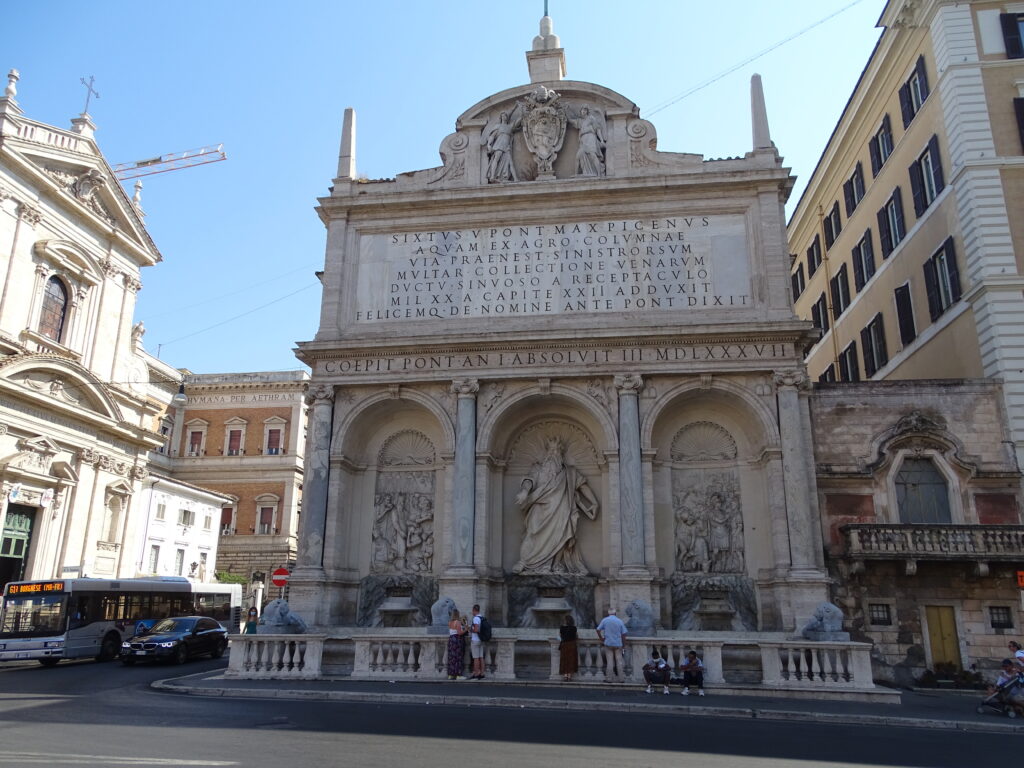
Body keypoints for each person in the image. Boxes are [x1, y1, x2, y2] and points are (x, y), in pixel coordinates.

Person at [513, 436, 599, 574]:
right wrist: (524, 491)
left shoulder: (569, 473)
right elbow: (529, 480)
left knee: (563, 533)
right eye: (551, 450)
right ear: (547, 452)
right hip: (539, 507)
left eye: (556, 450)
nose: (553, 453)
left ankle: (555, 564)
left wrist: (594, 502)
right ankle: (525, 561)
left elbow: (582, 486)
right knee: (532, 533)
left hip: (562, 509)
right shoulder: (538, 468)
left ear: (561, 453)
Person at [596, 608, 628, 683]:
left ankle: (609, 678)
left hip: (608, 643)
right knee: (619, 661)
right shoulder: (619, 621)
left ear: (608, 613)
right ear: (615, 613)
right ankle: (621, 679)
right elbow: (624, 634)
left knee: (610, 662)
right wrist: (624, 644)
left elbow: (598, 629)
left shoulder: (605, 620)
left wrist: (601, 638)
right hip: (618, 643)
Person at [447, 609, 467, 680]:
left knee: (451, 658)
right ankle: (458, 674)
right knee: (458, 657)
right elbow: (459, 633)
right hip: (457, 640)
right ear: (457, 614)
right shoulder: (457, 622)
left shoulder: (450, 622)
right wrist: (466, 629)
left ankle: (451, 674)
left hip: (451, 640)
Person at [558, 615, 578, 682]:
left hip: (564, 645)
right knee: (571, 660)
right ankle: (569, 676)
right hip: (572, 645)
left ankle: (565, 675)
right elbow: (576, 636)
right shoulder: (574, 628)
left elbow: (560, 636)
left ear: (565, 621)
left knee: (564, 659)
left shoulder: (562, 628)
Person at [469, 604, 486, 680]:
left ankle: (476, 673)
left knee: (476, 658)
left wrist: (470, 630)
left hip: (475, 640)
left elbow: (476, 630)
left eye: (472, 611)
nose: (472, 612)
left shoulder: (476, 618)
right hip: (481, 640)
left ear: (474, 610)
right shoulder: (482, 617)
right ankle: (482, 673)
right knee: (481, 657)